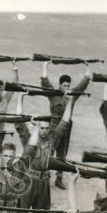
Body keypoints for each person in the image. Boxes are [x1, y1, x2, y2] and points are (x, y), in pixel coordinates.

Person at [13, 92, 75, 213]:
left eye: (47, 128)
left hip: (44, 182)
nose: (44, 131)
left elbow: (64, 122)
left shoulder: (52, 139)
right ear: (37, 127)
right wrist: (20, 97)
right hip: (28, 181)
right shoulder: (29, 137)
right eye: (41, 128)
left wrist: (70, 101)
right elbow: (19, 122)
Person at [39, 60, 92, 188]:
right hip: (54, 126)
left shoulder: (73, 95)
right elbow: (44, 81)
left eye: (68, 85)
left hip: (66, 127)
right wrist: (45, 65)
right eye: (64, 85)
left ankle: (59, 178)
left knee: (62, 154)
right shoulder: (53, 95)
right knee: (49, 150)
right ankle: (44, 175)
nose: (67, 88)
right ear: (59, 86)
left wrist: (88, 66)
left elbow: (84, 83)